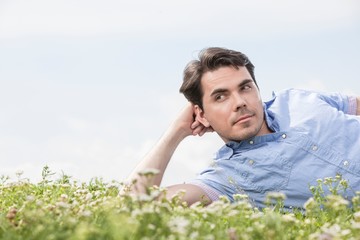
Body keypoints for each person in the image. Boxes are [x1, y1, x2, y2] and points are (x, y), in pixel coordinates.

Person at [124, 47, 360, 210]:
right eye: (220, 97)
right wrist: (176, 131)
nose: (239, 102)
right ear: (202, 115)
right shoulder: (227, 180)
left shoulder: (296, 100)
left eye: (245, 88)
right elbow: (132, 205)